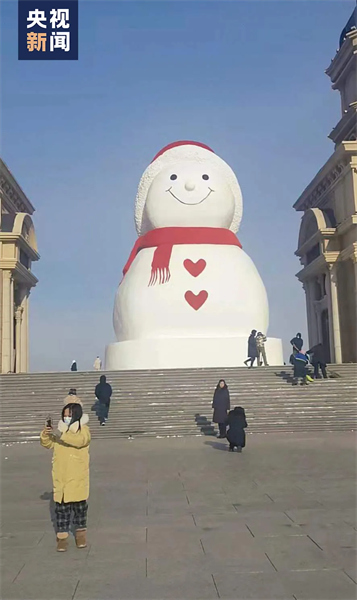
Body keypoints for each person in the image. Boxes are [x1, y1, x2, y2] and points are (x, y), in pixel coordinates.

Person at [40, 403, 91, 552]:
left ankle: (81, 535)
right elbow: (47, 444)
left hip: (77, 478)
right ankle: (62, 539)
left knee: (80, 509)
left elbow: (80, 441)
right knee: (61, 511)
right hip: (61, 478)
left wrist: (61, 434)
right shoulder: (60, 430)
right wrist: (46, 433)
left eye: (69, 415)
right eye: (65, 415)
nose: (67, 417)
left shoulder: (83, 430)